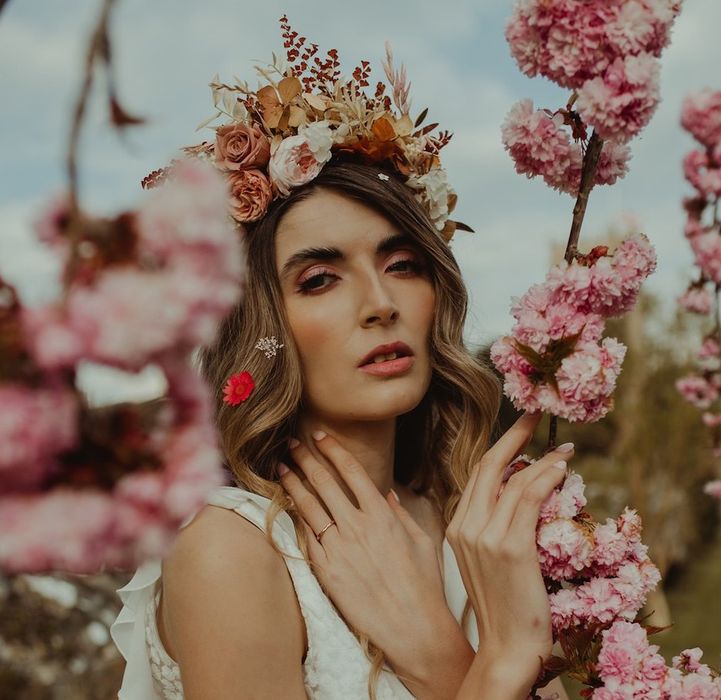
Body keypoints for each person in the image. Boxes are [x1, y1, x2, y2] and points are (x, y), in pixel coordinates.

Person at [110, 32, 574, 700]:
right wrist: (498, 664)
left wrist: (440, 655)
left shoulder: (477, 528)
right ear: (259, 323)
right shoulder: (230, 551)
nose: (381, 304)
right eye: (321, 279)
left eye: (402, 265)